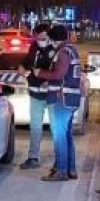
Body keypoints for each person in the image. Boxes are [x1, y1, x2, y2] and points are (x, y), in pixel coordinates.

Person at [34, 25, 82, 182]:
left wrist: (40, 73)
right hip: (71, 99)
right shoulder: (72, 50)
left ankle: (61, 170)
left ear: (55, 39)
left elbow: (59, 74)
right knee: (67, 135)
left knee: (60, 136)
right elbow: (65, 76)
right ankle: (71, 169)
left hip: (62, 99)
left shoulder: (63, 53)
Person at [17, 24, 54, 170]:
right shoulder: (33, 47)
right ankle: (33, 157)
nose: (40, 40)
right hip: (35, 93)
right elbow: (28, 60)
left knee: (56, 127)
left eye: (43, 38)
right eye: (38, 37)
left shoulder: (56, 49)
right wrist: (22, 65)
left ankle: (61, 160)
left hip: (51, 94)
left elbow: (58, 70)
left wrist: (48, 80)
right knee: (35, 126)